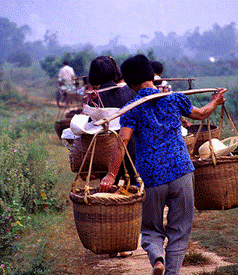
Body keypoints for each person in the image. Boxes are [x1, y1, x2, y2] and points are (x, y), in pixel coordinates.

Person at [100, 54, 227, 275]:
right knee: (179, 229)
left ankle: (157, 258)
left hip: (152, 177)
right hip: (181, 171)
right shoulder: (174, 99)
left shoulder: (132, 107)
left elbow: (123, 141)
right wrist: (215, 101)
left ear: (130, 84)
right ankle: (172, 272)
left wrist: (111, 174)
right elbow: (201, 114)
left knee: (150, 228)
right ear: (151, 75)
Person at [87, 55, 138, 258]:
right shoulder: (128, 91)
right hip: (131, 147)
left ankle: (114, 242)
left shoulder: (96, 97)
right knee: (131, 189)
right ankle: (129, 237)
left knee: (109, 193)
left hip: (108, 151)